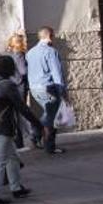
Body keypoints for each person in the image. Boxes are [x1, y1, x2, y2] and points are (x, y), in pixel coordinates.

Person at [0, 55, 42, 204]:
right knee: (0, 161)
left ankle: (16, 188)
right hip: (3, 127)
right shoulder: (7, 85)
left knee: (12, 158)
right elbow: (22, 107)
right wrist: (38, 124)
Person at [25, 27, 67, 155]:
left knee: (47, 113)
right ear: (50, 36)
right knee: (51, 117)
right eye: (53, 36)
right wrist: (62, 91)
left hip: (35, 88)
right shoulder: (51, 52)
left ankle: (35, 137)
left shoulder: (30, 52)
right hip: (48, 87)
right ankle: (49, 146)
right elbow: (56, 73)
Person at [6, 31, 31, 149]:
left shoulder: (8, 54)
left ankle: (17, 142)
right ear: (19, 43)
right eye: (23, 41)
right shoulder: (19, 55)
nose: (25, 43)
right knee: (20, 114)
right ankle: (20, 142)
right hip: (19, 86)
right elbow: (23, 71)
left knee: (15, 115)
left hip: (12, 85)